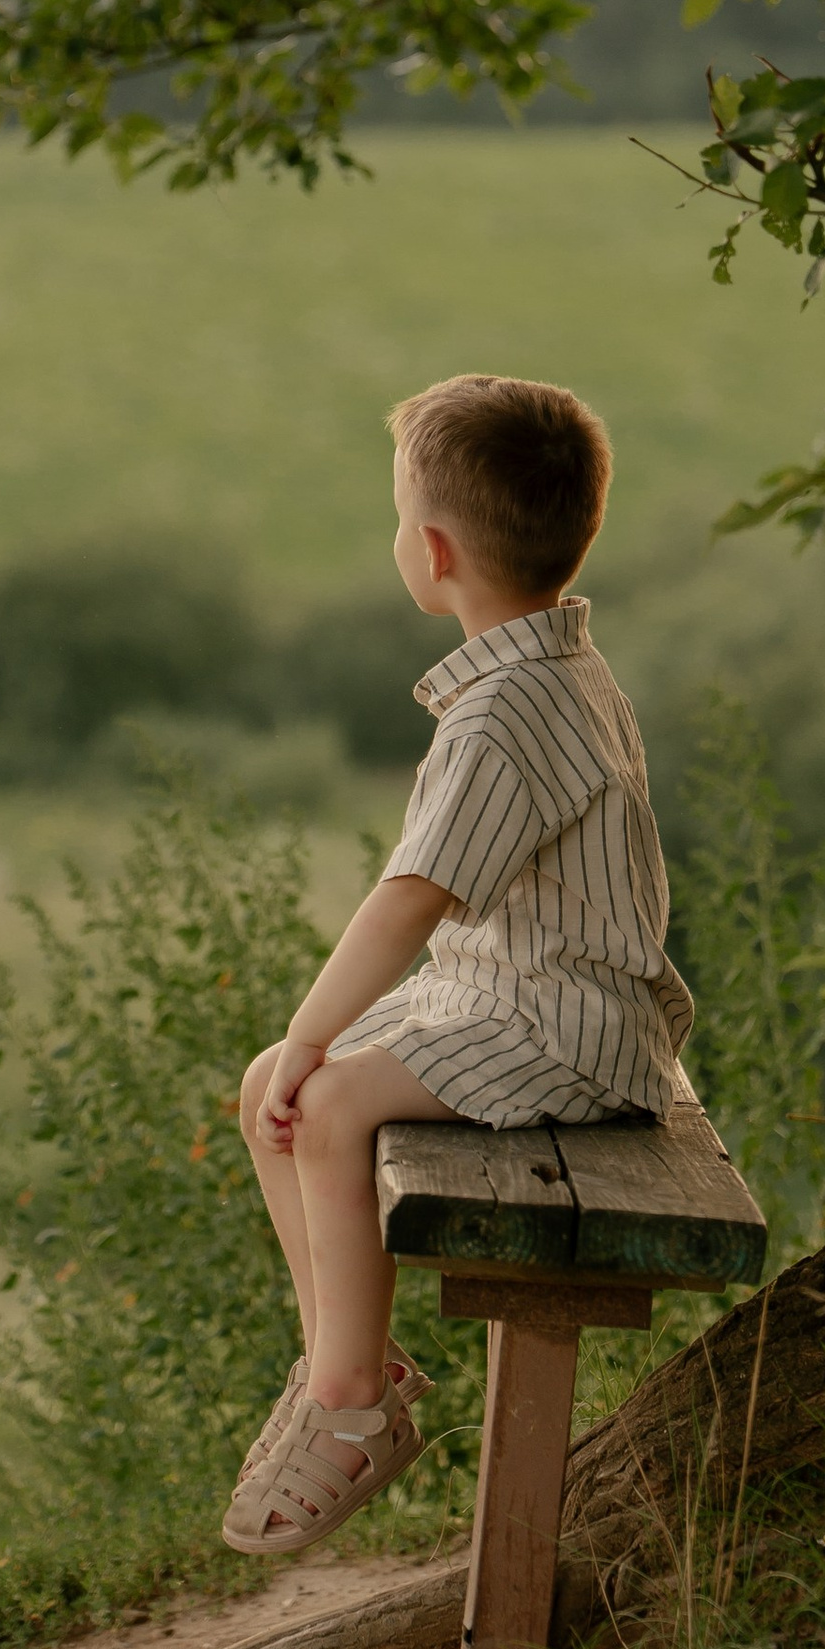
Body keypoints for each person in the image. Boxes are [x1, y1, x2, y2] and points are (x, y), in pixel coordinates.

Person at [224, 373, 690, 1556]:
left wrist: (321, 1030)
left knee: (317, 1097)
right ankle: (347, 1358)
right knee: (264, 1083)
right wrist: (299, 1044)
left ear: (430, 551)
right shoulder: (543, 674)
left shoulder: (505, 713)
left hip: (566, 1026)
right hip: (517, 989)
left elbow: (402, 908)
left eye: (396, 519)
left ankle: (350, 1409)